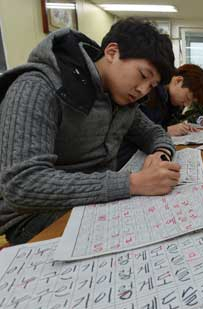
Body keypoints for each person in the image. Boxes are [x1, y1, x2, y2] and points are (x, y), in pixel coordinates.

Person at [0, 18, 180, 244]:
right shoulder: (37, 87)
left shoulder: (121, 100)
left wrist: (160, 154)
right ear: (113, 52)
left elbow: (154, 133)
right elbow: (22, 185)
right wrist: (131, 183)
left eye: (152, 86)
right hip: (36, 217)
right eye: (143, 76)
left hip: (98, 202)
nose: (143, 90)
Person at [117, 63, 203, 168]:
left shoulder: (171, 102)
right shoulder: (150, 94)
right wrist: (167, 130)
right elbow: (134, 130)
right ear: (178, 81)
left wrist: (178, 126)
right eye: (187, 97)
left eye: (190, 103)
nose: (186, 104)